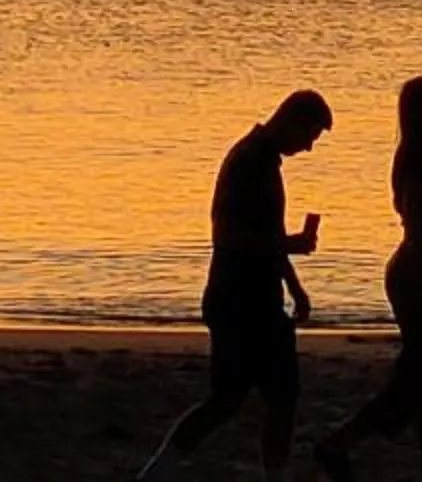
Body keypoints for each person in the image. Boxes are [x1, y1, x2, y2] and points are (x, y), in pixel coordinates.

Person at [141, 90, 334, 482]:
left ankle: (159, 472)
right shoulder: (250, 161)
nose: (308, 147)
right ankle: (162, 471)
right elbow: (228, 236)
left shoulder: (261, 160)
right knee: (252, 397)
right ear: (292, 120)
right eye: (310, 136)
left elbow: (268, 234)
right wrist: (289, 245)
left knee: (253, 396)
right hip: (241, 300)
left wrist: (295, 286)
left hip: (250, 299)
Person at [314, 75, 422, 481]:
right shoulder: (418, 159)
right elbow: (414, 216)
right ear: (421, 110)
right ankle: (339, 444)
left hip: (421, 274)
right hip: (414, 276)